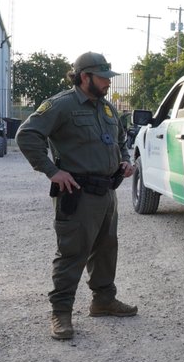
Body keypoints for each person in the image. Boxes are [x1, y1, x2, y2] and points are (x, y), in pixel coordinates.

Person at [16, 51, 137, 340]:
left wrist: (123, 159)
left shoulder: (106, 108)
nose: (108, 83)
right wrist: (51, 170)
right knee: (73, 253)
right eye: (103, 78)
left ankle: (103, 300)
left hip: (107, 192)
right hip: (78, 193)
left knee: (107, 249)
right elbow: (26, 135)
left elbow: (119, 139)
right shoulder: (62, 105)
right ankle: (61, 313)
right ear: (85, 77)